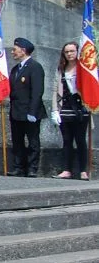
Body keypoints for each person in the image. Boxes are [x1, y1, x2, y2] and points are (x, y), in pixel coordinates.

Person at [7, 37, 46, 177]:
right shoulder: (15, 69)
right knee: (17, 140)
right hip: (16, 111)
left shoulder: (35, 67)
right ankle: (18, 167)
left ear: (23, 50)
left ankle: (32, 168)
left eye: (15, 49)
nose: (13, 52)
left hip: (30, 111)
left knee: (33, 141)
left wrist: (32, 111)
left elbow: (37, 91)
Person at [52, 41, 89, 179]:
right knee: (67, 140)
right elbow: (55, 90)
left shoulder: (83, 68)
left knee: (80, 140)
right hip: (65, 108)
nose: (69, 54)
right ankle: (66, 170)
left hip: (80, 108)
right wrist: (55, 110)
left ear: (77, 52)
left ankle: (83, 170)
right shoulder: (61, 69)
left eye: (72, 51)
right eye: (66, 52)